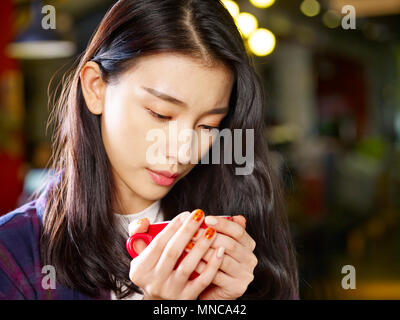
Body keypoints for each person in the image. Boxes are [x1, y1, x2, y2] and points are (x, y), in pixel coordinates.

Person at [0, 0, 299, 300]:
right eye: (161, 114)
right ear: (95, 88)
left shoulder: (236, 238)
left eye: (208, 125)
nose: (183, 152)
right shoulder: (12, 255)